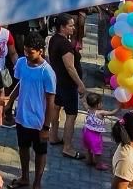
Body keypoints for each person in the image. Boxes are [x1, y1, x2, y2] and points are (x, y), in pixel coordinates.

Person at [11, 33, 56, 189]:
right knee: (23, 148)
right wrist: (9, 102)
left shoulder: (47, 72)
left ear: (40, 51)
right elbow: (20, 84)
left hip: (39, 121)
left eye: (30, 52)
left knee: (40, 152)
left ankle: (37, 182)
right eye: (25, 50)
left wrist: (46, 127)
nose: (27, 54)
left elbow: (50, 101)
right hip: (21, 117)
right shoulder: (21, 63)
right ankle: (25, 177)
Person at [47, 14, 85, 160]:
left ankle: (53, 135)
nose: (73, 28)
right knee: (71, 115)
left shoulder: (53, 39)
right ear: (62, 27)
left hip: (57, 81)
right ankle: (68, 147)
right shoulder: (65, 45)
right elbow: (70, 67)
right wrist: (80, 84)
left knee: (56, 107)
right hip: (67, 84)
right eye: (70, 25)